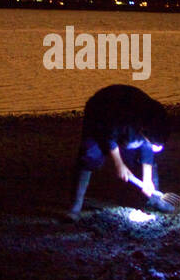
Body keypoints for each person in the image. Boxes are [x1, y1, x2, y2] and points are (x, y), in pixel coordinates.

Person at [66, 84, 173, 220]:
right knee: (90, 155)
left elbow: (147, 149)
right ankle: (75, 207)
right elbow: (108, 137)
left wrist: (147, 179)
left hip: (132, 125)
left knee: (138, 153)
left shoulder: (155, 119)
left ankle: (155, 199)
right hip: (100, 115)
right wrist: (119, 164)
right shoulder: (123, 117)